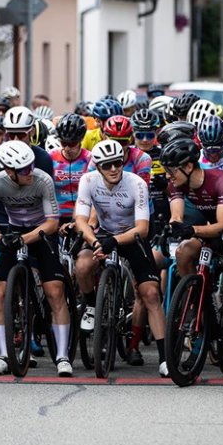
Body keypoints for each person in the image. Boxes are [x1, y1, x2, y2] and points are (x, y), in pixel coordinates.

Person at [162, 137, 223, 387]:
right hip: (210, 231)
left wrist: (191, 228)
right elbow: (177, 215)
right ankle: (200, 303)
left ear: (187, 166)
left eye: (171, 170)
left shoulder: (221, 181)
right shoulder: (176, 183)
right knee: (184, 252)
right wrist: (175, 227)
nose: (168, 175)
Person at [74, 140, 168, 377]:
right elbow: (81, 220)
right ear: (98, 167)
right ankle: (93, 305)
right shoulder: (88, 181)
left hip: (132, 236)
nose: (114, 169)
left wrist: (115, 242)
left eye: (118, 163)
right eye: (107, 165)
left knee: (151, 293)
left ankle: (165, 358)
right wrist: (95, 242)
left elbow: (143, 229)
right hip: (104, 234)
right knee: (83, 265)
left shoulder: (136, 183)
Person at [0, 141, 68, 376]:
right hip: (13, 231)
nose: (30, 172)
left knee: (55, 292)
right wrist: (0, 239)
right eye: (23, 170)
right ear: (9, 171)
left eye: (30, 166)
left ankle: (62, 356)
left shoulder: (43, 180)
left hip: (41, 232)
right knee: (0, 293)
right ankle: (3, 355)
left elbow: (52, 222)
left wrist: (26, 238)